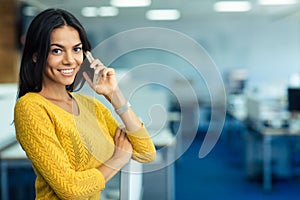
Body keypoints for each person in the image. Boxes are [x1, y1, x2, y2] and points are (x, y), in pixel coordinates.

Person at [14, 8, 156, 200]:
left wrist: (114, 94)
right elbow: (70, 190)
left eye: (76, 49)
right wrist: (118, 159)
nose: (69, 60)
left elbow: (146, 152)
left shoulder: (90, 105)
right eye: (57, 50)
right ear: (36, 55)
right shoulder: (30, 107)